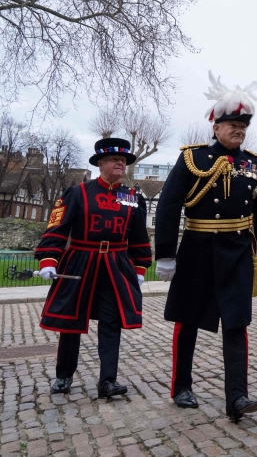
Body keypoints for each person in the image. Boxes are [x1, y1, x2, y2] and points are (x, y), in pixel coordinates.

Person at [155, 74, 257, 421]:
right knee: (187, 320)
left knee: (237, 324)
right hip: (197, 249)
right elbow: (169, 205)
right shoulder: (194, 158)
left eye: (242, 126)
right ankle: (181, 385)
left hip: (236, 253)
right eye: (232, 125)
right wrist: (165, 253)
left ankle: (237, 397)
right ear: (216, 126)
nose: (239, 131)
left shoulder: (255, 165)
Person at [35, 138, 151, 398]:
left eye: (123, 160)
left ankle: (108, 380)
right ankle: (64, 376)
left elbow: (139, 237)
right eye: (113, 160)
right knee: (71, 321)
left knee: (112, 322)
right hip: (80, 261)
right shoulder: (78, 192)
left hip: (115, 265)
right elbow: (57, 228)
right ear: (101, 164)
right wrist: (48, 259)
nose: (120, 163)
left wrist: (140, 267)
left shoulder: (132, 198)